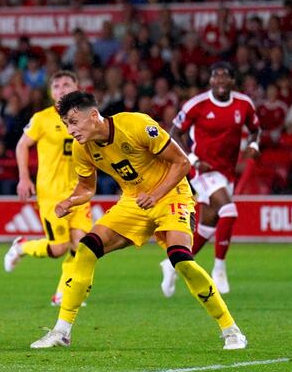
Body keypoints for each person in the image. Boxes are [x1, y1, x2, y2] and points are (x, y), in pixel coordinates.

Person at [30, 91, 247, 350]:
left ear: (94, 115)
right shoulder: (82, 148)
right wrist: (70, 201)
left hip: (171, 195)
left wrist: (155, 195)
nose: (70, 129)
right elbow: (87, 187)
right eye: (66, 124)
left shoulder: (135, 124)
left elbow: (182, 163)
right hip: (134, 201)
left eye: (74, 122)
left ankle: (230, 329)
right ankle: (62, 331)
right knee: (87, 249)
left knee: (181, 260)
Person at [160, 62, 260, 297]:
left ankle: (172, 262)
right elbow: (174, 133)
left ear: (233, 81)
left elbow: (255, 129)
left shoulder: (244, 104)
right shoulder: (198, 104)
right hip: (202, 170)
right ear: (211, 80)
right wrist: (193, 159)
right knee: (229, 211)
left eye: (226, 76)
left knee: (208, 225)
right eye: (217, 76)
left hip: (226, 172)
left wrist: (254, 144)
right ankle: (219, 269)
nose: (221, 80)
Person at [5, 71, 92, 306]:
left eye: (66, 84)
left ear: (77, 87)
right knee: (58, 248)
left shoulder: (88, 117)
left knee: (82, 245)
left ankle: (64, 293)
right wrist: (24, 178)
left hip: (80, 192)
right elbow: (22, 146)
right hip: (51, 194)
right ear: (50, 92)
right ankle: (23, 247)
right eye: (56, 86)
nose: (61, 89)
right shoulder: (42, 118)